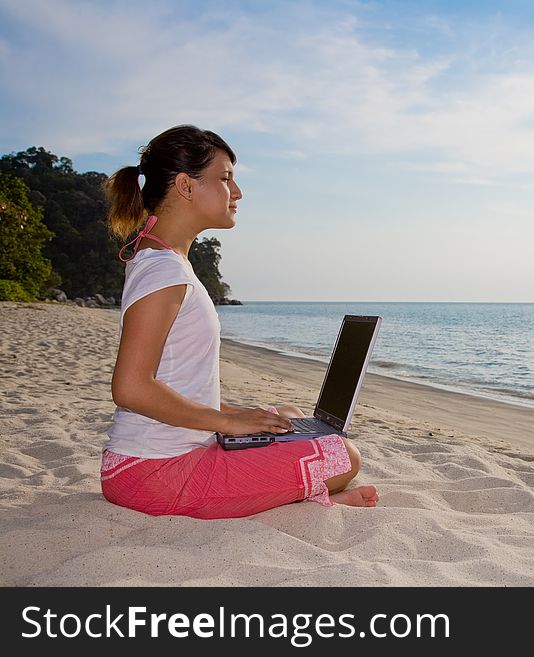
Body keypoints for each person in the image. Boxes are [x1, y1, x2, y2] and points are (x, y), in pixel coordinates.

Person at [100, 124, 379, 519]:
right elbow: (130, 388)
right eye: (226, 178)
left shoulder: (164, 259)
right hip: (154, 472)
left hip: (160, 458)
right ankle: (303, 497)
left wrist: (235, 413)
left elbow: (175, 379)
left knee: (287, 414)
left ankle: (290, 492)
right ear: (186, 185)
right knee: (343, 456)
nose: (238, 192)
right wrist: (225, 421)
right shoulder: (164, 272)